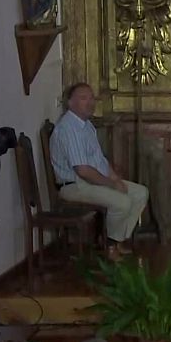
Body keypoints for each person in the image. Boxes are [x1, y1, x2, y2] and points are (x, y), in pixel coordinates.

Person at [50, 83, 149, 258]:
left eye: (92, 98)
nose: (90, 102)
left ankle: (115, 240)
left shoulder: (87, 126)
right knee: (122, 202)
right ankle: (110, 247)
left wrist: (115, 179)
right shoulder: (68, 128)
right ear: (70, 103)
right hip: (73, 186)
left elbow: (100, 161)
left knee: (140, 193)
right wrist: (112, 184)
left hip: (92, 181)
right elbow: (83, 170)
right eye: (83, 98)